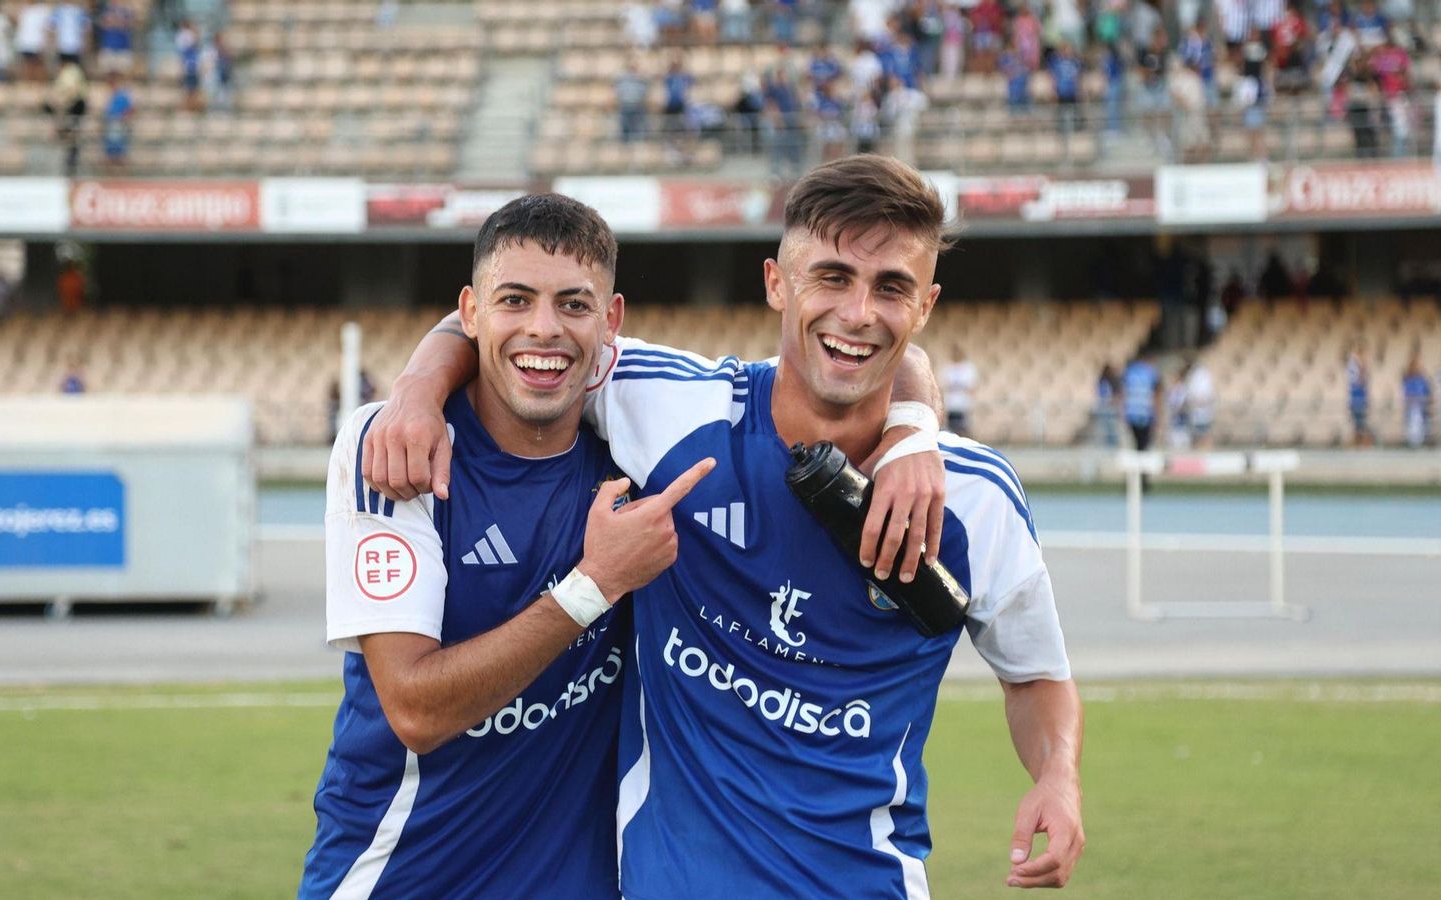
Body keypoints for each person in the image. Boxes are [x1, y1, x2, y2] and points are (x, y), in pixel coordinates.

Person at [364, 155, 1084, 896]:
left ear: (926, 306)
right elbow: (518, 326)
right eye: (831, 277)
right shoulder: (669, 407)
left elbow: (1036, 677)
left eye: (892, 288)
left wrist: (1057, 776)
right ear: (776, 283)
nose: (859, 312)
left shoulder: (977, 500)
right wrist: (416, 388)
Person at [299, 194, 715, 899]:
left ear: (611, 321)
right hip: (401, 878)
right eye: (514, 300)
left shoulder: (638, 445)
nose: (543, 329)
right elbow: (416, 710)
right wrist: (593, 586)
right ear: (470, 312)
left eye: (574, 305)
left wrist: (910, 423)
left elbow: (813, 376)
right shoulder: (401, 447)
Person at [1122, 349, 1160, 451]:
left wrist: (1123, 412)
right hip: (1146, 412)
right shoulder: (1151, 371)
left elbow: (1124, 393)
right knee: (1145, 444)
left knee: (1138, 444)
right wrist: (1158, 412)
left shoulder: (1129, 371)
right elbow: (1156, 393)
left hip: (1132, 412)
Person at [940, 343, 977, 436]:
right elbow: (944, 385)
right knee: (951, 429)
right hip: (951, 403)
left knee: (963, 428)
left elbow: (972, 387)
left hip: (963, 404)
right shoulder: (948, 368)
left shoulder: (968, 368)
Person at [1400, 352, 1432, 447]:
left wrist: (1427, 400)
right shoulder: (1408, 378)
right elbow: (1407, 392)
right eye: (1417, 365)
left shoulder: (1423, 379)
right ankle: (1413, 444)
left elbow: (1428, 391)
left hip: (1422, 408)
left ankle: (1420, 443)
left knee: (1422, 428)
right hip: (1413, 407)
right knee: (1413, 428)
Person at [1347, 341, 1372, 447]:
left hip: (1361, 397)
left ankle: (1362, 443)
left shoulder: (1362, 366)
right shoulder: (1353, 366)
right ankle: (1358, 442)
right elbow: (1357, 381)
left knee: (1362, 422)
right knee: (1358, 423)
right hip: (1356, 398)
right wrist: (1362, 368)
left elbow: (1364, 383)